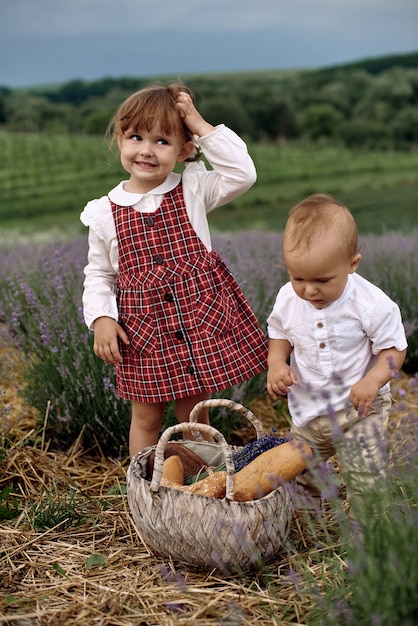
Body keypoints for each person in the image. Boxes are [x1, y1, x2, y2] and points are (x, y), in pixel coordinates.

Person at [81, 82, 268, 458]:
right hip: (144, 333)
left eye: (162, 141)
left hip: (197, 324)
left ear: (184, 150)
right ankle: (145, 489)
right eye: (136, 137)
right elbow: (99, 274)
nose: (146, 150)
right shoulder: (104, 212)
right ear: (120, 140)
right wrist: (101, 317)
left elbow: (242, 173)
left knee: (195, 416)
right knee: (147, 418)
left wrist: (197, 122)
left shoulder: (192, 190)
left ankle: (198, 493)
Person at [266, 193, 407, 519]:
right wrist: (276, 363)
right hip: (308, 412)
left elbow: (394, 347)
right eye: (298, 277)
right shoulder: (289, 298)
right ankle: (309, 522)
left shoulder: (369, 303)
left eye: (322, 280)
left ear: (352, 264)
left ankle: (366, 530)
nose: (309, 290)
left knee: (365, 476)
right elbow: (280, 334)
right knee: (302, 471)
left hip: (359, 410)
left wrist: (373, 381)